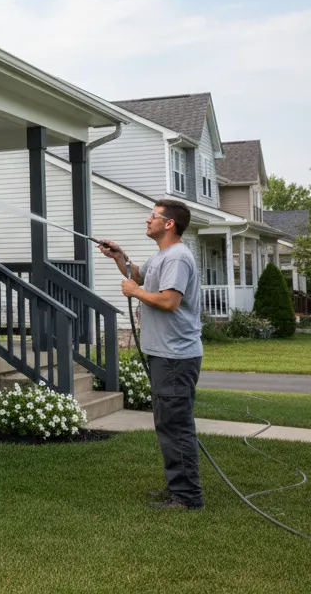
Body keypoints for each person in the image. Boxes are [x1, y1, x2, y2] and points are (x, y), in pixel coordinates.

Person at [98, 199, 203, 510]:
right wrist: (120, 257)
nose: (148, 220)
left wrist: (134, 292)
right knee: (169, 424)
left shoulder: (178, 258)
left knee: (176, 426)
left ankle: (187, 497)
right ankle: (178, 488)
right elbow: (141, 277)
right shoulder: (162, 257)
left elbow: (169, 300)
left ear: (169, 223)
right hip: (165, 354)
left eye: (153, 216)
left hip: (175, 356)